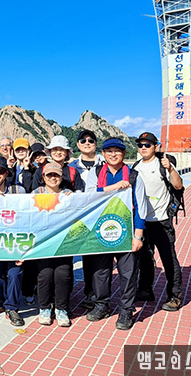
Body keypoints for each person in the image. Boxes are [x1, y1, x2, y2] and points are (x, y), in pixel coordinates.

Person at [84, 138, 150, 331]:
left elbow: (140, 207)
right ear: (103, 154)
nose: (113, 154)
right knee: (100, 272)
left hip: (126, 231)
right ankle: (101, 305)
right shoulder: (96, 173)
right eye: (109, 151)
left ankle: (126, 310)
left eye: (117, 151)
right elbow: (89, 196)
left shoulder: (134, 176)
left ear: (124, 153)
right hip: (101, 231)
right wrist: (114, 187)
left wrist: (138, 236)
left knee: (128, 273)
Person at [132, 132, 184, 312]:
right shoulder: (136, 166)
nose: (143, 148)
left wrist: (170, 169)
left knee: (169, 259)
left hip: (161, 221)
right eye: (140, 145)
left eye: (147, 145)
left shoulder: (163, 164)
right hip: (143, 222)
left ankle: (175, 296)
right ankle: (145, 290)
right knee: (145, 259)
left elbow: (178, 185)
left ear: (156, 146)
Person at [0, 156, 27, 326]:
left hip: (14, 242)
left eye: (1, 171)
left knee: (14, 275)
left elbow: (27, 217)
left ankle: (12, 307)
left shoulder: (19, 191)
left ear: (6, 173)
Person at [32, 162, 74, 327]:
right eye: (49, 175)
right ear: (43, 177)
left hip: (64, 242)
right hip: (43, 242)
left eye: (56, 175)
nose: (53, 178)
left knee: (63, 274)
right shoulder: (36, 194)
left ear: (61, 177)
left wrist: (73, 199)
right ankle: (44, 308)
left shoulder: (68, 194)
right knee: (45, 274)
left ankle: (61, 309)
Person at [68, 129, 105, 310]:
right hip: (79, 218)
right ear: (78, 144)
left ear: (96, 144)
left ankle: (99, 296)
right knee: (84, 257)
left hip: (101, 216)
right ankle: (87, 294)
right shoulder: (72, 167)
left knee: (100, 258)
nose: (87, 143)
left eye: (91, 140)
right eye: (83, 140)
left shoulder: (106, 163)